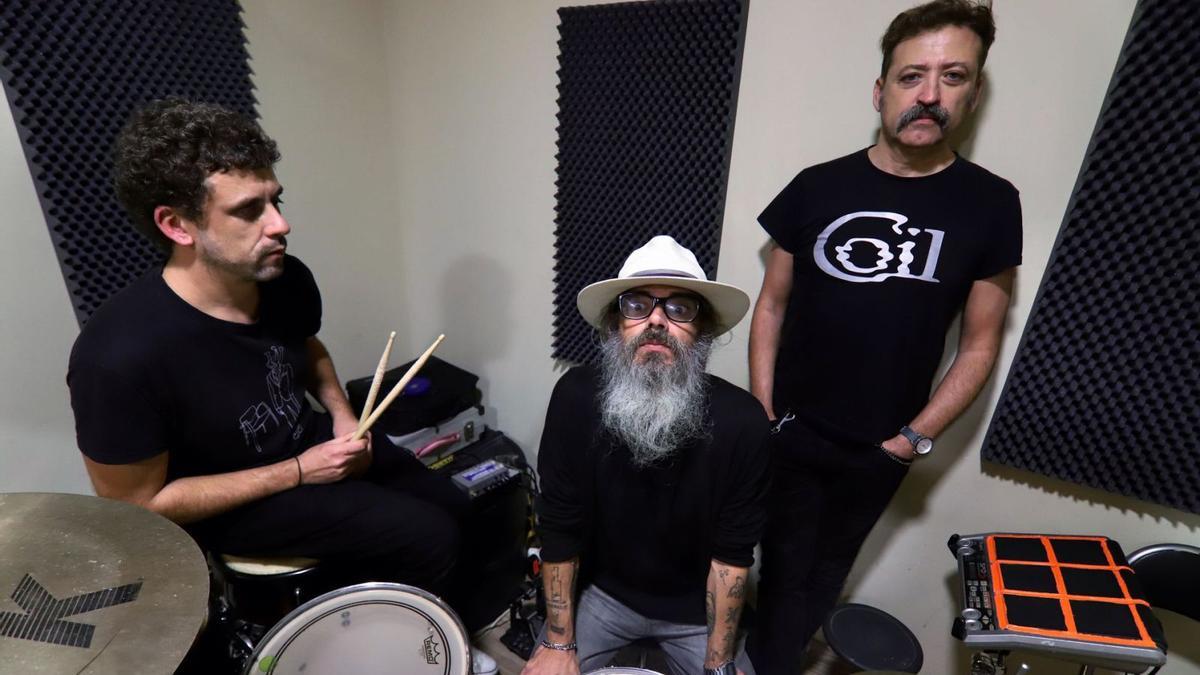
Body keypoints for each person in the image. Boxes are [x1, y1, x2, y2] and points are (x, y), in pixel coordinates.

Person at [67, 97, 478, 626]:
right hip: (231, 503)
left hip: (313, 447)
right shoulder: (116, 357)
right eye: (248, 210)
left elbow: (308, 348)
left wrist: (341, 414)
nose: (280, 225)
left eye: (275, 200)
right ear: (177, 225)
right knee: (430, 537)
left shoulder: (283, 278)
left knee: (459, 506)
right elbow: (139, 506)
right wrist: (300, 471)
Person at [745, 1, 1022, 672]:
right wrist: (762, 412)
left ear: (974, 91)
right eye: (911, 76)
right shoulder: (817, 187)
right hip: (792, 429)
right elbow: (771, 305)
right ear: (880, 90)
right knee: (776, 568)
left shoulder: (991, 203)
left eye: (952, 76)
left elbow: (981, 341)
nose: (929, 95)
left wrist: (911, 439)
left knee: (827, 570)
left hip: (882, 447)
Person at [523, 235, 769, 675]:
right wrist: (559, 644)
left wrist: (717, 665)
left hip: (697, 612)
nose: (656, 319)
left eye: (679, 308)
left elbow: (732, 558)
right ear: (617, 325)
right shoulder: (575, 397)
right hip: (602, 597)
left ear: (702, 331)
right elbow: (559, 524)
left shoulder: (743, 422)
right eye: (636, 305)